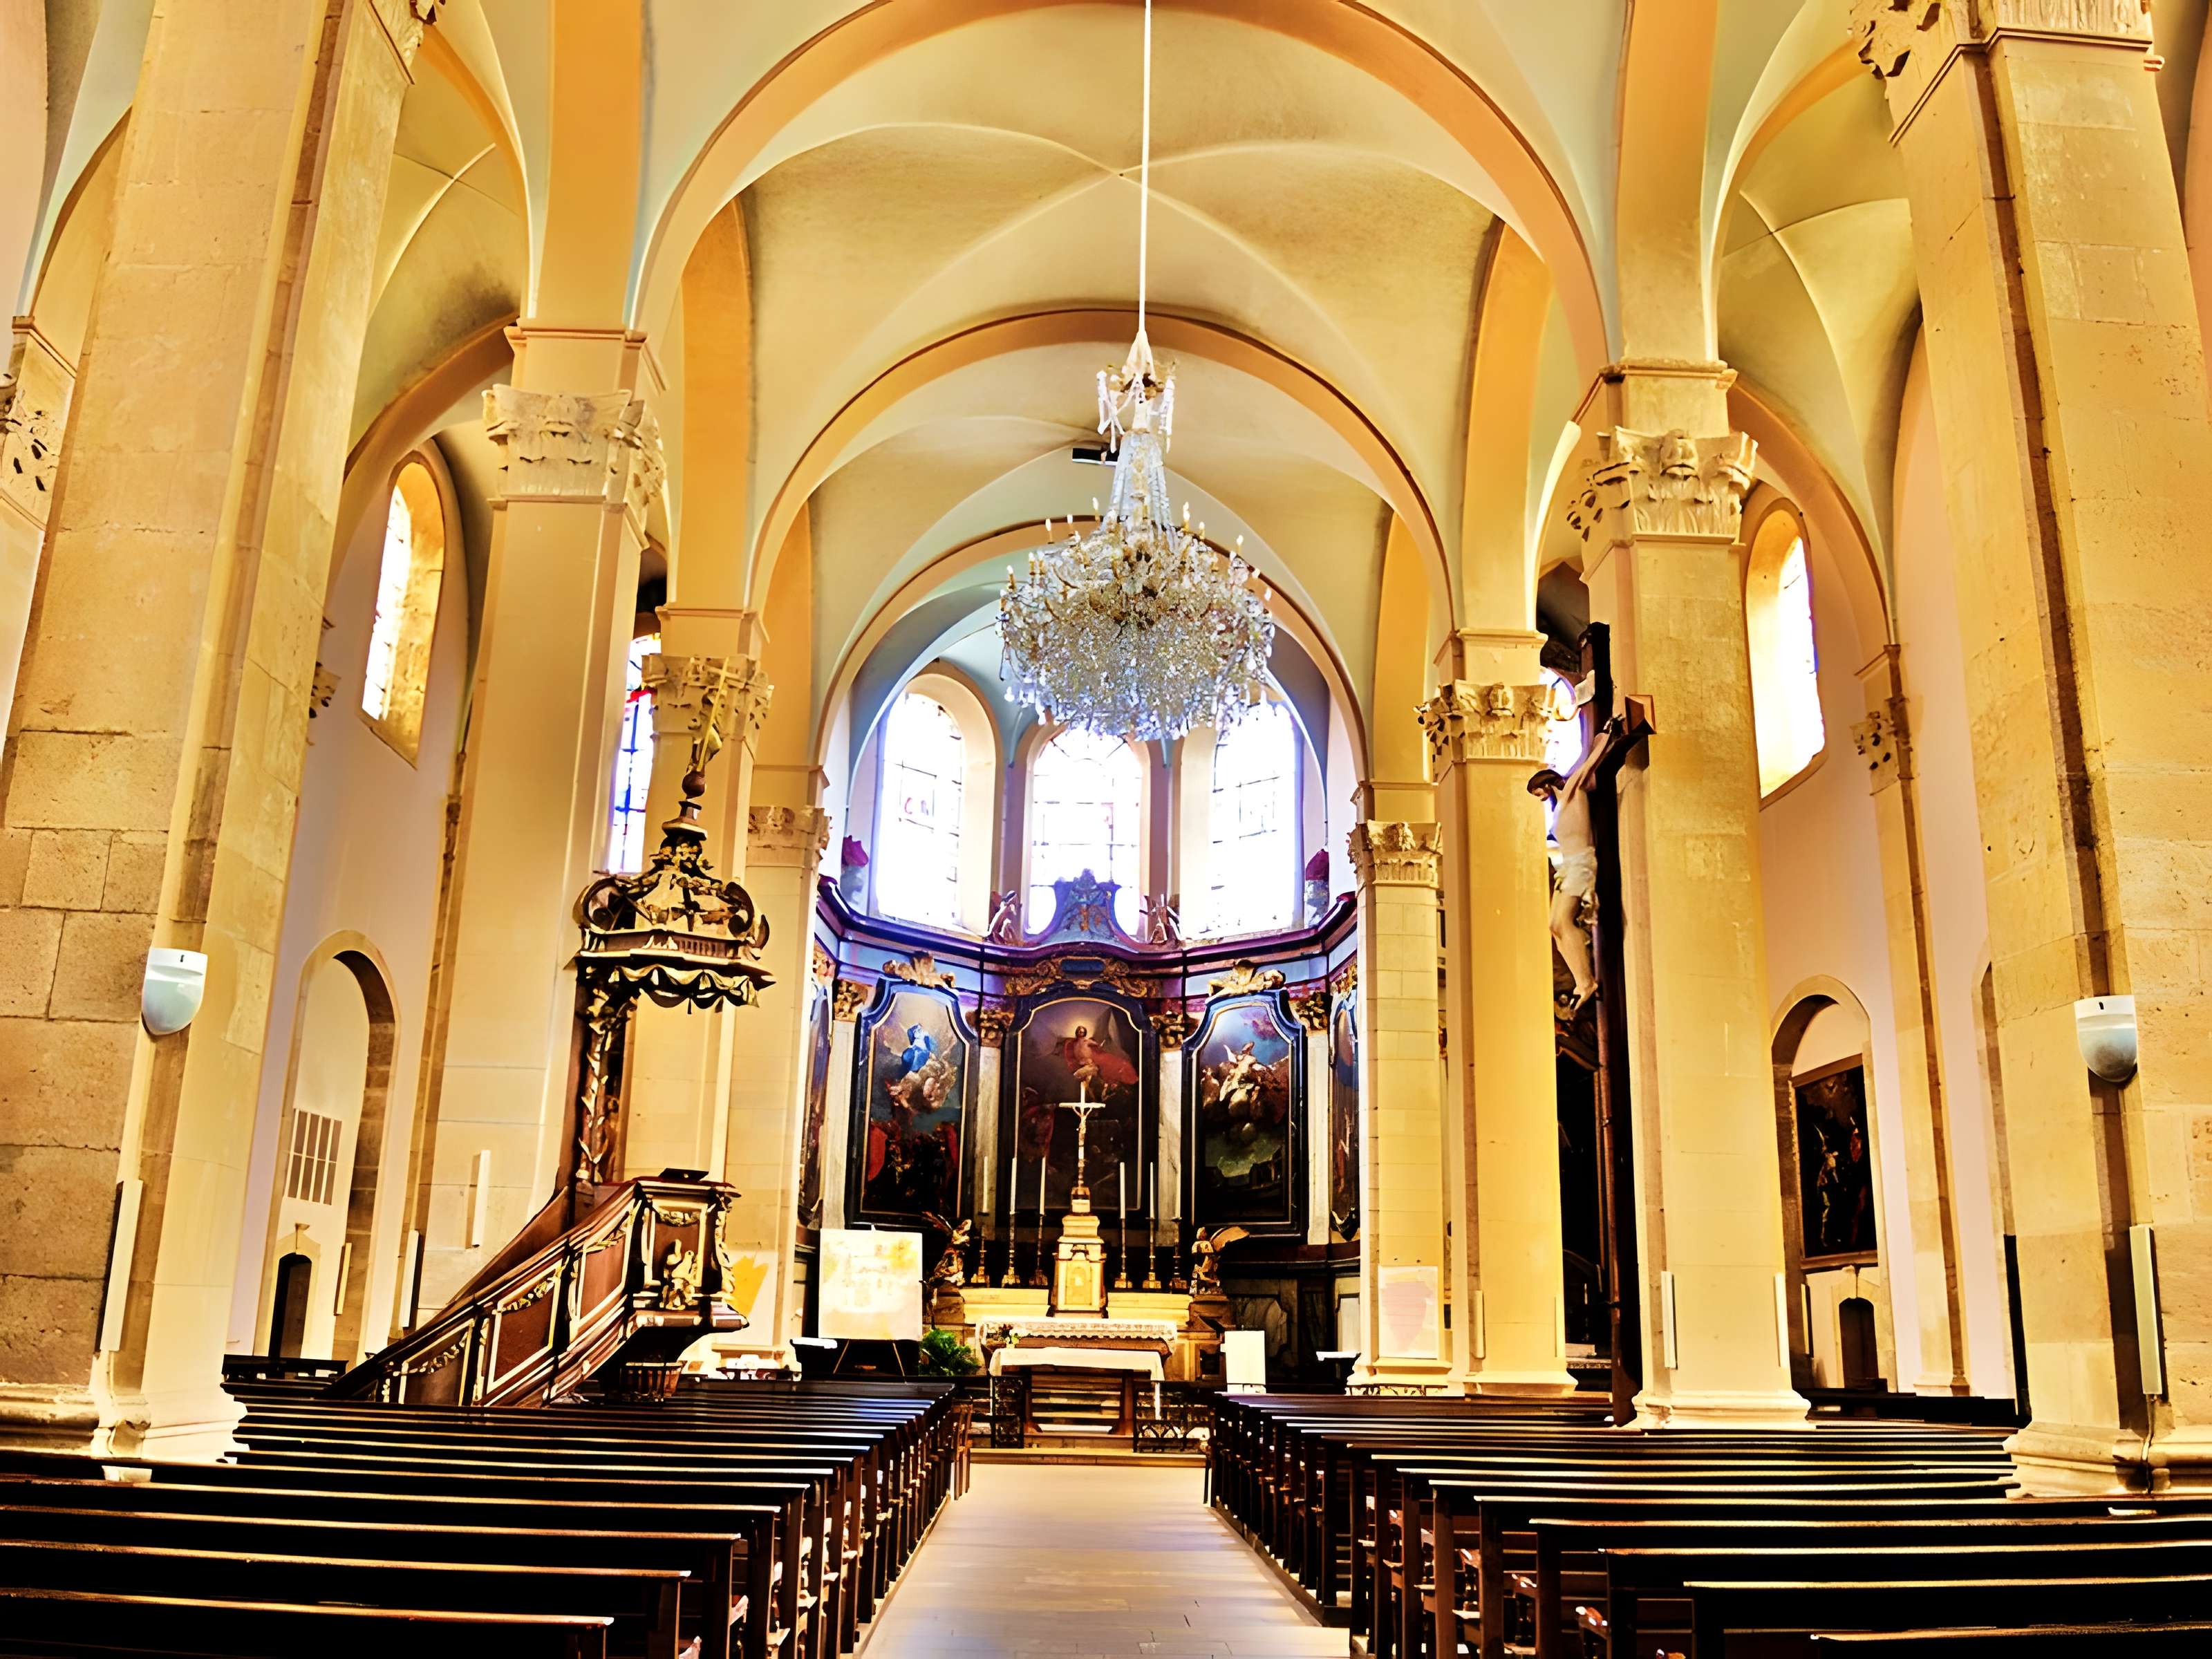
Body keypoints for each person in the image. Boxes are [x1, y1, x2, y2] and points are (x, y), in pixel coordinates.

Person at [1528, 716, 1622, 1010]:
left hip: (1581, 862)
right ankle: (1582, 979)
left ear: (1545, 783)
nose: (1540, 798)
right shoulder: (1560, 807)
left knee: (1562, 921)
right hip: (1568, 866)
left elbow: (1588, 763)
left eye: (1538, 792)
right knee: (1554, 926)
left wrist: (1606, 736)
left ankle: (1586, 982)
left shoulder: (1571, 791)